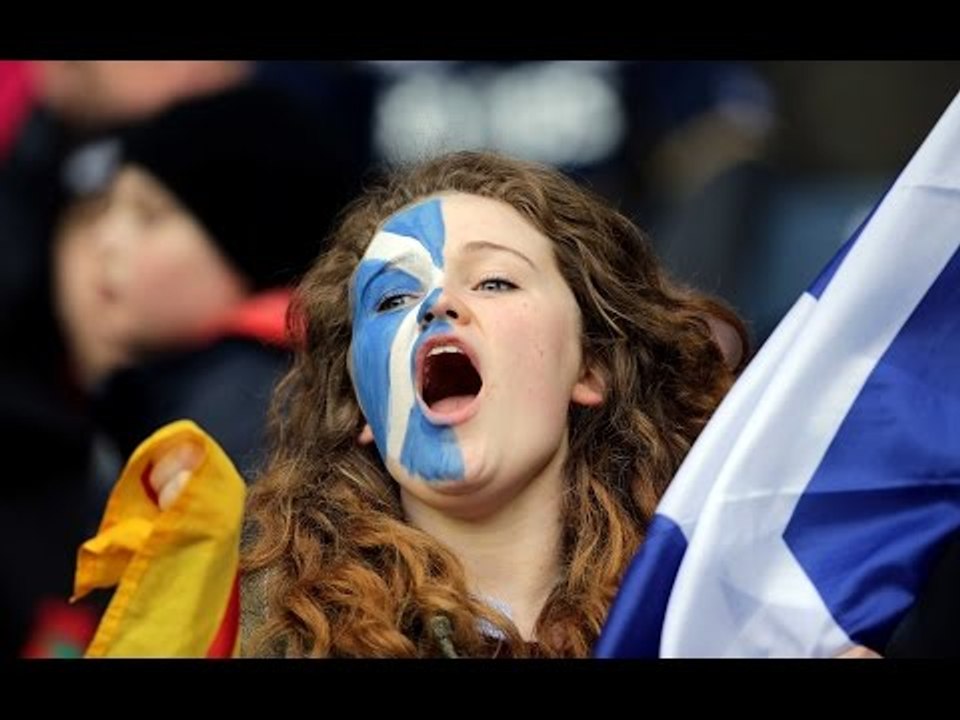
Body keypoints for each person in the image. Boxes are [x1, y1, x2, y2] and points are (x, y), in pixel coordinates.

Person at [77, 149, 747, 658]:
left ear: (591, 366)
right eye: (394, 300)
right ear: (363, 406)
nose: (440, 305)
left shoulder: (713, 610)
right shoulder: (266, 629)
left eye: (494, 280)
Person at [52, 84, 364, 485]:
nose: (106, 241)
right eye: (110, 207)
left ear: (248, 253)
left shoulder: (252, 415)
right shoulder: (199, 388)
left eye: (150, 216)